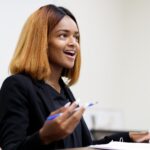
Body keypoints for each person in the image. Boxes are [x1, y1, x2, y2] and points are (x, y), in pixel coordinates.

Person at [0, 4, 150, 150]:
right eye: (63, 35)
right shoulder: (17, 86)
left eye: (76, 37)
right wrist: (44, 136)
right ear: (41, 42)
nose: (74, 44)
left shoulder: (64, 91)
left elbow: (86, 145)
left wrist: (128, 137)